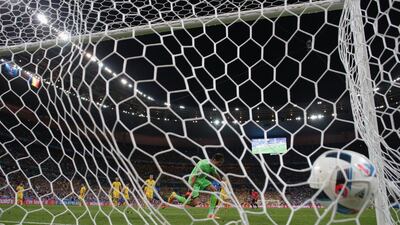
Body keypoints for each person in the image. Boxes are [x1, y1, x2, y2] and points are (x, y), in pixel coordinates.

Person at [167, 153, 224, 219]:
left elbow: (215, 174)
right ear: (214, 160)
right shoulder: (203, 164)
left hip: (202, 180)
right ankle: (174, 196)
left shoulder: (212, 166)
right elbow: (194, 177)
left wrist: (221, 182)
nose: (219, 165)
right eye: (219, 163)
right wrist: (190, 189)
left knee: (215, 191)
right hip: (193, 181)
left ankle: (210, 214)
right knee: (194, 203)